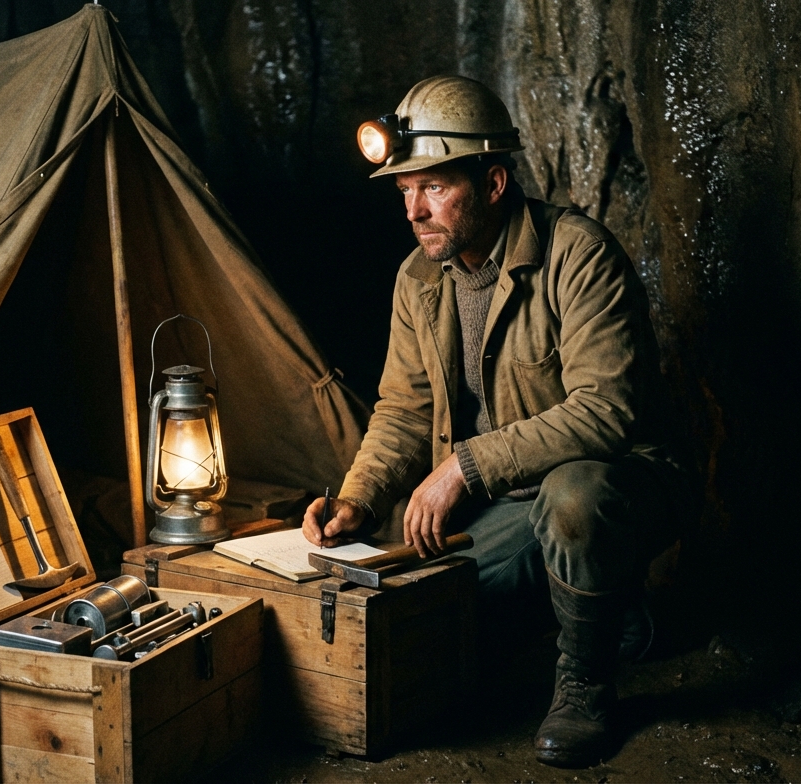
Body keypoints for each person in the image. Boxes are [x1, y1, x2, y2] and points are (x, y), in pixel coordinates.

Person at [302, 75, 692, 767]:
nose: (415, 210)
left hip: (620, 484)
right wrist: (358, 498)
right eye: (404, 191)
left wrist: (464, 467)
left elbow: (608, 410)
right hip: (507, 503)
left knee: (575, 499)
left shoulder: (577, 253)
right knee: (428, 613)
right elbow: (403, 409)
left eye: (434, 187)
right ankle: (607, 607)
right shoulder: (418, 281)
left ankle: (585, 685)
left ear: (493, 183)